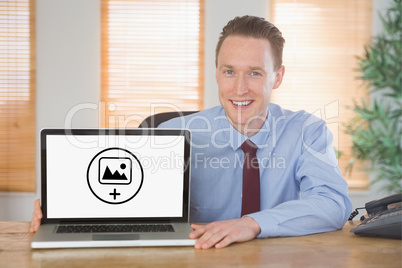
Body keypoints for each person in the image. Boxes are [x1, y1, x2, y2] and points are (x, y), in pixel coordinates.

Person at [30, 15, 352, 249]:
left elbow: (333, 203)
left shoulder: (307, 131)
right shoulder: (171, 133)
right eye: (229, 72)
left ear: (277, 77)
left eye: (254, 73)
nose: (240, 88)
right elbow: (121, 192)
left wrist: (253, 224)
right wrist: (63, 207)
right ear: (216, 72)